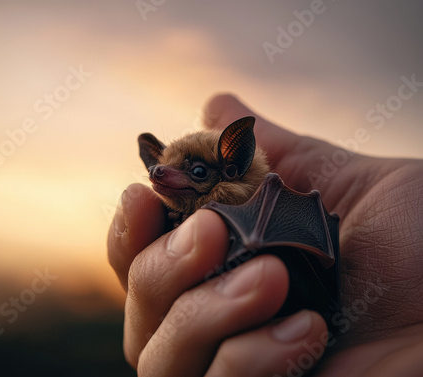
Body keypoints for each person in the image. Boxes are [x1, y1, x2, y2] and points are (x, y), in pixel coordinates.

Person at [107, 94, 423, 376]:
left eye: (197, 172)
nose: (159, 173)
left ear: (232, 167)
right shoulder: (173, 221)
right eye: (161, 166)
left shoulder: (262, 212)